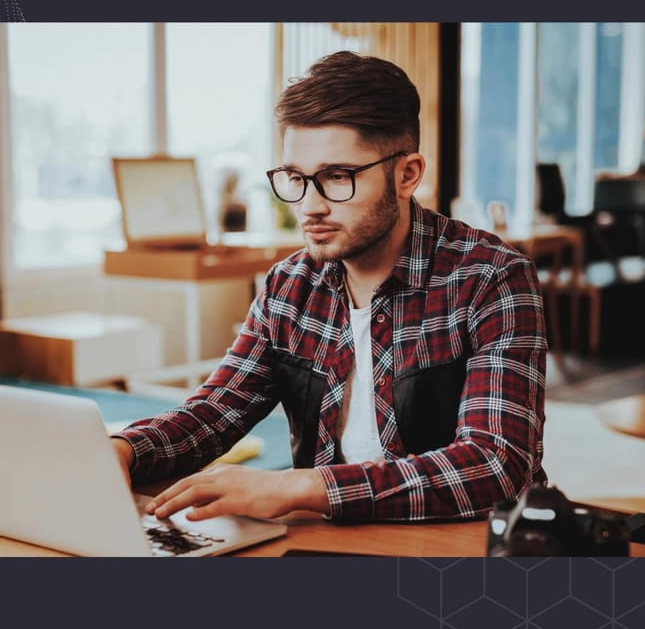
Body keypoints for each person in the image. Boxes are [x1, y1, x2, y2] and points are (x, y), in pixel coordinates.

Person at [110, 51, 548, 523]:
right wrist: (124, 450)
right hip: (333, 538)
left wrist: (301, 486)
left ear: (407, 175)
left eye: (337, 177)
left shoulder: (491, 277)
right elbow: (217, 411)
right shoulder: (289, 285)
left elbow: (498, 464)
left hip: (465, 542)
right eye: (297, 178)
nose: (309, 206)